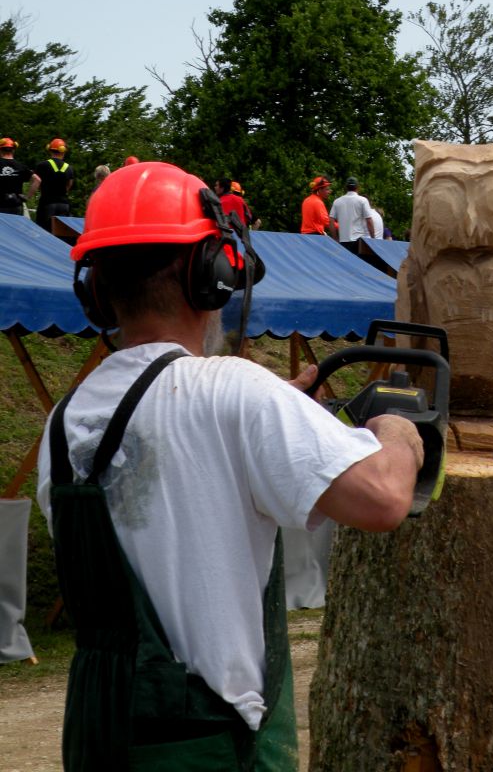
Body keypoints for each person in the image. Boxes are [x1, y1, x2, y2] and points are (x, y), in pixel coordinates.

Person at [36, 160, 424, 771]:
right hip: (209, 742)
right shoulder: (235, 392)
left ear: (95, 290)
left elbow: (173, 467)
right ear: (212, 275)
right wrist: (399, 431)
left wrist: (271, 420)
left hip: (100, 734)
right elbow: (382, 498)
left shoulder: (66, 420)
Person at [33, 138, 74, 232]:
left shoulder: (42, 165)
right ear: (63, 151)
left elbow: (37, 182)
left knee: (44, 232)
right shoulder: (69, 168)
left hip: (47, 204)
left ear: (49, 149)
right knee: (62, 234)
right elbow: (69, 185)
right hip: (64, 205)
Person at [329, 176, 374, 254]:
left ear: (346, 187)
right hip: (358, 241)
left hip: (343, 241)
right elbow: (369, 221)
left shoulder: (337, 201)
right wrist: (373, 238)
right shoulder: (362, 200)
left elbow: (331, 220)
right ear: (357, 187)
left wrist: (335, 238)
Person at [0, 138, 40, 215]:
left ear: (0, 150)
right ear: (13, 150)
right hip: (16, 205)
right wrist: (27, 197)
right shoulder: (21, 166)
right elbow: (37, 180)